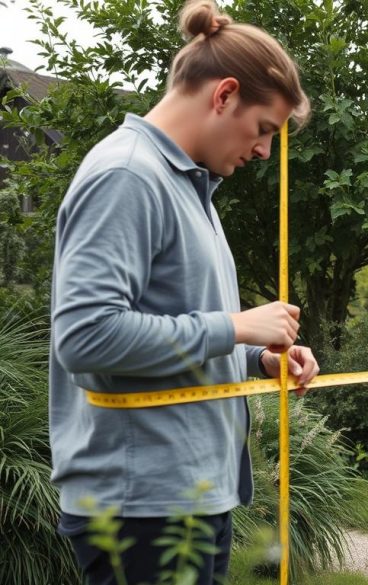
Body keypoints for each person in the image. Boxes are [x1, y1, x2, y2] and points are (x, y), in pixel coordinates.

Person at [48, 2, 319, 583]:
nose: (265, 151)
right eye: (263, 129)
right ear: (223, 95)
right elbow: (85, 338)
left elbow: (172, 325)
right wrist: (238, 327)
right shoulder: (127, 175)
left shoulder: (189, 185)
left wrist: (257, 356)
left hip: (185, 494)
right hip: (141, 506)